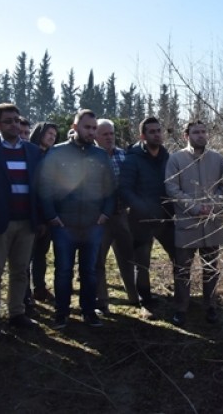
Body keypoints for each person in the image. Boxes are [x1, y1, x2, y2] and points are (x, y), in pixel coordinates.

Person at [38, 109, 114, 330]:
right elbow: (44, 186)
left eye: (93, 128)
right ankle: (61, 314)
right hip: (64, 225)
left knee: (89, 272)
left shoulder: (100, 155)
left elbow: (111, 187)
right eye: (87, 127)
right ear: (75, 127)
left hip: (93, 225)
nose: (91, 132)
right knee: (63, 271)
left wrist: (105, 214)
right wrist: (51, 216)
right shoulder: (57, 153)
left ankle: (88, 312)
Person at [0, 103, 42, 336]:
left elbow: (39, 187)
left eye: (16, 119)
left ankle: (16, 313)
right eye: (8, 121)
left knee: (20, 270)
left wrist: (39, 218)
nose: (13, 124)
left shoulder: (33, 151)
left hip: (26, 222)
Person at [165, 120, 223, 327]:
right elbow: (172, 188)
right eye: (195, 132)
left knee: (211, 268)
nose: (200, 135)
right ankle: (181, 308)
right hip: (187, 223)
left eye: (203, 131)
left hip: (212, 223)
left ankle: (211, 306)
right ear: (186, 135)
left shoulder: (217, 159)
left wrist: (213, 206)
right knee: (182, 269)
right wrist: (194, 208)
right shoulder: (176, 159)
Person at [119, 117, 176, 319]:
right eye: (152, 131)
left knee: (178, 255)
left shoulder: (167, 157)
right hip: (141, 219)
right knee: (142, 262)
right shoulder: (132, 158)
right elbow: (125, 189)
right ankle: (145, 301)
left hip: (166, 217)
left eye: (159, 130)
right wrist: (142, 208)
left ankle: (181, 297)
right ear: (143, 136)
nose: (157, 134)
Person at [94, 119, 135, 316]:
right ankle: (101, 301)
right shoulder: (91, 157)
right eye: (105, 134)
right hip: (99, 218)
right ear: (95, 136)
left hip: (121, 215)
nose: (109, 137)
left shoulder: (123, 155)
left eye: (111, 133)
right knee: (97, 260)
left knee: (128, 256)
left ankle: (134, 297)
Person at [26, 122, 59, 304]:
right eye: (49, 133)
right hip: (32, 214)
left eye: (55, 134)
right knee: (26, 257)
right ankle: (24, 295)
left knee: (41, 255)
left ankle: (39, 288)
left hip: (49, 215)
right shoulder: (30, 153)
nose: (52, 136)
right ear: (39, 133)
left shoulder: (52, 156)